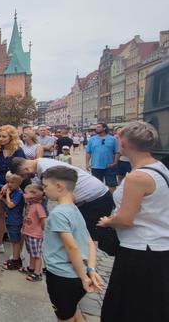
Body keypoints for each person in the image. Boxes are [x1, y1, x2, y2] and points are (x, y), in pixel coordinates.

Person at [97, 121, 169, 322]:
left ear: (124, 143)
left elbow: (126, 219)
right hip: (156, 247)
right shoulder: (158, 167)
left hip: (140, 250)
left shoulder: (138, 177)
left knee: (129, 307)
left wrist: (108, 221)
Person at [42, 166, 103, 322]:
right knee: (72, 311)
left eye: (45, 186)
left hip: (62, 275)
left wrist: (84, 277)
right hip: (77, 274)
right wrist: (90, 269)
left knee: (64, 317)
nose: (44, 190)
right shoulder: (75, 210)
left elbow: (72, 247)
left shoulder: (58, 214)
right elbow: (89, 243)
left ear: (59, 187)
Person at [10, 157, 113, 245]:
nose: (26, 177)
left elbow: (57, 193)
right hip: (93, 198)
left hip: (95, 201)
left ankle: (85, 265)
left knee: (84, 238)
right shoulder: (41, 163)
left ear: (26, 168)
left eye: (24, 175)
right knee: (79, 236)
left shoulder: (47, 170)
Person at [0, 125, 26, 253]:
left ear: (11, 137)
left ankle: (18, 251)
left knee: (15, 218)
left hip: (12, 189)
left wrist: (8, 184)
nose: (1, 139)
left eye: (4, 136)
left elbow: (21, 171)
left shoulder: (18, 151)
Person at [20, 183, 47, 282]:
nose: (24, 194)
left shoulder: (38, 207)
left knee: (36, 254)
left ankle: (37, 272)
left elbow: (43, 218)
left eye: (26, 193)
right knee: (31, 252)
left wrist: (43, 228)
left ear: (32, 195)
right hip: (29, 232)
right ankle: (31, 267)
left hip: (35, 234)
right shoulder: (30, 204)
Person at [86, 123, 120, 191]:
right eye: (96, 127)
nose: (96, 128)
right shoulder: (92, 139)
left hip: (109, 166)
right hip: (96, 166)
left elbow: (117, 152)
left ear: (104, 128)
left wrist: (115, 162)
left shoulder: (113, 139)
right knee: (97, 186)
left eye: (98, 127)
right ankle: (100, 200)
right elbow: (88, 152)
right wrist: (87, 164)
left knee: (111, 185)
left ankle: (111, 200)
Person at [2, 173, 25, 270]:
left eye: (12, 182)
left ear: (19, 183)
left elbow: (11, 205)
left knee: (16, 241)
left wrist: (7, 194)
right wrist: (2, 199)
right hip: (10, 219)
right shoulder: (14, 192)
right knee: (13, 240)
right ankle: (16, 258)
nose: (9, 184)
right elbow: (7, 204)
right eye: (8, 182)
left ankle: (15, 260)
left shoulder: (19, 193)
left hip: (15, 220)